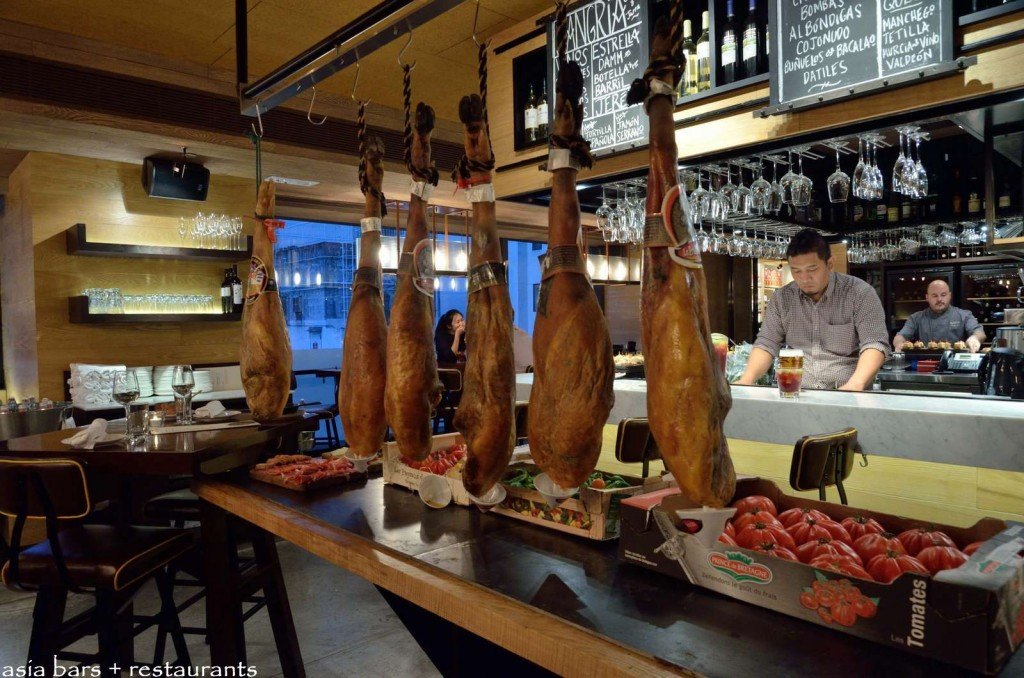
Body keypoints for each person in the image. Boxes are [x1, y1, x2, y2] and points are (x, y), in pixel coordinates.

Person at [736, 229, 890, 391]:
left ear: (829, 264)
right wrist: (747, 379)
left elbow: (875, 343)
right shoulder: (782, 298)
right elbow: (767, 344)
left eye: (812, 269)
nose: (804, 279)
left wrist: (855, 385)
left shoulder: (859, 293)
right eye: (796, 271)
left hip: (849, 393)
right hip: (799, 393)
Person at [892, 279, 985, 353]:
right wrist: (899, 344)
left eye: (943, 295)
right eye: (934, 295)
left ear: (949, 296)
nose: (939, 299)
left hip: (955, 363)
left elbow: (979, 332)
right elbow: (901, 336)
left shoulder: (964, 315)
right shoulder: (916, 318)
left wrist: (975, 338)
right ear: (927, 297)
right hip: (925, 364)